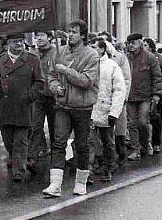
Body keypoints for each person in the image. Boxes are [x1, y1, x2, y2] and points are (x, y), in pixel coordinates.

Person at [42, 20, 99, 198]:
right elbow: (51, 75)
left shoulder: (91, 55)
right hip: (62, 105)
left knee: (81, 145)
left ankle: (81, 182)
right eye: (69, 31)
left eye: (74, 32)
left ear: (83, 35)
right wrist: (55, 87)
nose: (70, 35)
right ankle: (55, 184)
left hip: (82, 107)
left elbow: (86, 81)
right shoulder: (60, 52)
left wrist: (66, 71)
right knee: (58, 143)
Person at [0, 32, 44, 182]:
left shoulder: (32, 59)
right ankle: (24, 161)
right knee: (8, 140)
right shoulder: (1, 60)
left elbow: (40, 82)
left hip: (24, 107)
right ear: (8, 44)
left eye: (21, 41)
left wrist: (30, 96)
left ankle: (18, 172)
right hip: (5, 106)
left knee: (20, 141)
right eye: (15, 42)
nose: (19, 44)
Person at [89, 40, 126, 183]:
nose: (92, 50)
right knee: (90, 142)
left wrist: (114, 113)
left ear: (102, 49)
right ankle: (90, 169)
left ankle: (108, 168)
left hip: (106, 110)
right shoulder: (88, 64)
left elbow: (119, 90)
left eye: (94, 47)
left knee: (107, 141)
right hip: (90, 109)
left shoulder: (112, 66)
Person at [124, 33, 162, 160]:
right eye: (129, 43)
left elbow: (157, 76)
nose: (130, 46)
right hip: (130, 96)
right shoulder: (126, 58)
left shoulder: (150, 57)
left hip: (145, 96)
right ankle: (136, 150)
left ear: (140, 43)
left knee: (143, 122)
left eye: (133, 43)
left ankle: (146, 144)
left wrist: (157, 94)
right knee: (132, 124)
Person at [27, 30, 58, 171]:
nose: (38, 38)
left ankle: (57, 159)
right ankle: (32, 157)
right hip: (38, 96)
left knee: (54, 129)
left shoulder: (56, 52)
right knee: (36, 127)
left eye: (42, 35)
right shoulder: (33, 54)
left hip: (54, 97)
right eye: (37, 36)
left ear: (49, 38)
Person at [99, 31, 131, 164]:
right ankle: (104, 158)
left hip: (118, 98)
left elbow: (127, 79)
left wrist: (124, 98)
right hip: (102, 100)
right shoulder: (95, 60)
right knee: (104, 131)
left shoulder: (120, 58)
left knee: (119, 127)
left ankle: (121, 151)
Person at [144, 38, 162, 153]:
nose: (143, 47)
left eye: (145, 45)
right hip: (144, 92)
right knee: (144, 120)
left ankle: (156, 143)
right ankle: (145, 143)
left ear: (150, 46)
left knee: (156, 119)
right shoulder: (140, 58)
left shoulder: (160, 58)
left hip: (157, 92)